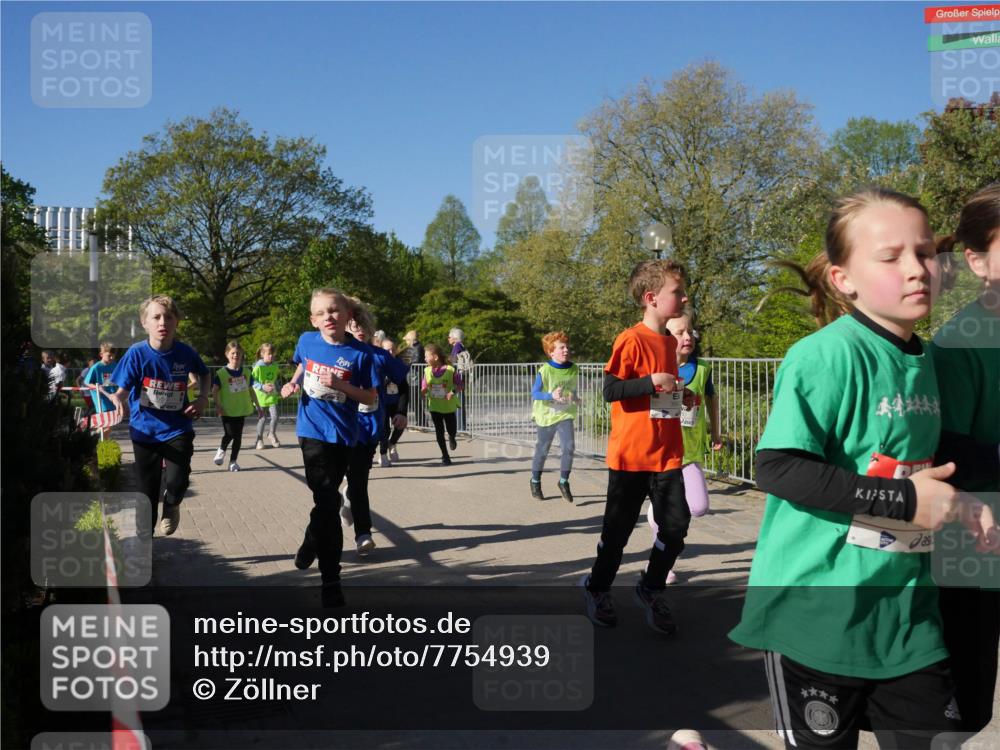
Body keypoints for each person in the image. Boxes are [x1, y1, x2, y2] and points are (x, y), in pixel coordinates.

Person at [729, 188, 993, 749]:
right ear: (843, 278)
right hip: (816, 618)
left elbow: (923, 467)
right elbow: (777, 468)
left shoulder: (924, 360)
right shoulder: (827, 355)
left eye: (923, 253)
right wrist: (904, 503)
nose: (917, 269)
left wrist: (961, 503)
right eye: (890, 257)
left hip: (906, 619)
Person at [581, 259, 691, 636]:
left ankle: (651, 587)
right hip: (631, 456)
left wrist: (682, 393)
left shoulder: (669, 342)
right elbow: (610, 390)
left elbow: (662, 392)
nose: (684, 296)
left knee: (676, 527)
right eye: (677, 291)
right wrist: (649, 381)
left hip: (667, 454)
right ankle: (597, 589)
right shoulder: (630, 339)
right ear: (651, 298)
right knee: (618, 532)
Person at [929, 182, 1000, 734]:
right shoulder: (958, 343)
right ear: (976, 260)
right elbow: (949, 455)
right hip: (977, 545)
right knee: (964, 712)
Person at [280, 287, 377, 607]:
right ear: (313, 319)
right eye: (321, 313)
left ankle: (311, 540)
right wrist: (293, 383)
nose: (328, 317)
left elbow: (370, 398)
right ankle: (331, 580)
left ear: (348, 315)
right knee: (327, 499)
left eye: (334, 311)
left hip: (344, 435)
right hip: (311, 431)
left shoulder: (360, 353)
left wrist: (342, 386)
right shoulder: (307, 340)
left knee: (327, 502)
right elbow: (302, 364)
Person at [108, 295, 210, 538]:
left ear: (177, 322)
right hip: (145, 430)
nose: (162, 322)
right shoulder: (136, 353)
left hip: (178, 427)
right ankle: (145, 544)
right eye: (156, 317)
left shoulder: (185, 353)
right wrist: (118, 399)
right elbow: (122, 388)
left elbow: (205, 375)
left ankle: (172, 503)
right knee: (147, 492)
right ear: (145, 323)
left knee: (178, 480)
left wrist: (202, 398)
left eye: (169, 317)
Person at [646, 313, 722, 583]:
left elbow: (712, 401)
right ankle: (663, 563)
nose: (688, 337)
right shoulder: (659, 368)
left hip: (690, 451)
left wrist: (716, 431)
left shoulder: (702, 369)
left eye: (690, 331)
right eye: (680, 332)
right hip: (664, 453)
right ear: (667, 338)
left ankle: (657, 516)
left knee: (699, 506)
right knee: (668, 517)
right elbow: (656, 413)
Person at [340, 298, 408, 556]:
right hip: (338, 426)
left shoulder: (379, 356)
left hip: (368, 426)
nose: (358, 330)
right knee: (344, 481)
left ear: (370, 329)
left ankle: (363, 534)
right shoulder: (337, 351)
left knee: (359, 481)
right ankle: (345, 500)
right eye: (353, 325)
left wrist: (401, 411)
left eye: (362, 325)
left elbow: (402, 382)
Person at [529, 331, 580, 503]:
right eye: (561, 347)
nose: (566, 350)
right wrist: (550, 395)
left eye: (567, 347)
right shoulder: (545, 370)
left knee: (569, 447)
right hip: (546, 416)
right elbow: (535, 394)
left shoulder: (574, 368)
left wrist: (575, 397)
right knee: (542, 451)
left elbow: (571, 389)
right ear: (551, 352)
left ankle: (564, 481)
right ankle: (535, 481)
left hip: (565, 413)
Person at [212, 340, 263, 472]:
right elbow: (214, 390)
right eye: (233, 353)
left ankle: (233, 462)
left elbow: (251, 390)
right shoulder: (221, 373)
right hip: (226, 409)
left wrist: (258, 406)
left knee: (238, 436)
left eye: (238, 353)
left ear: (242, 355)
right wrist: (217, 405)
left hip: (241, 408)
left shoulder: (246, 372)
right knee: (229, 433)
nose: (236, 355)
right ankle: (221, 449)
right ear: (227, 354)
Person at [422, 343, 462, 465]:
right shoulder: (427, 370)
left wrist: (452, 392)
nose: (424, 359)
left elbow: (460, 385)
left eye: (426, 356)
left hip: (448, 406)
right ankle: (445, 456)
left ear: (435, 357)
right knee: (439, 432)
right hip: (434, 406)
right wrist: (423, 391)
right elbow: (423, 387)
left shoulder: (451, 370)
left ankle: (452, 437)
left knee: (452, 430)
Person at [378, 337, 410, 464]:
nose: (390, 353)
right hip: (382, 403)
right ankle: (383, 454)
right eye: (387, 350)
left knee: (401, 425)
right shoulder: (377, 364)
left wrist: (402, 411)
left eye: (393, 350)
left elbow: (404, 389)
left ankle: (392, 443)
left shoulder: (399, 365)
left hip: (396, 402)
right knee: (384, 429)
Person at [252, 342, 283, 449]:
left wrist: (279, 390)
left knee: (275, 416)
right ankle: (259, 439)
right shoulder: (258, 367)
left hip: (272, 396)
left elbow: (275, 380)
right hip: (260, 398)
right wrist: (262, 387)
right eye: (269, 354)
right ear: (262, 354)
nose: (271, 356)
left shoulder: (275, 366)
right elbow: (252, 381)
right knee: (262, 419)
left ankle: (271, 434)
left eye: (272, 354)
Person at [84, 344, 118, 436]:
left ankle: (96, 438)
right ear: (101, 354)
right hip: (101, 399)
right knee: (107, 424)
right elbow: (87, 382)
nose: (111, 357)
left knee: (109, 426)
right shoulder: (96, 367)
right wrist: (97, 387)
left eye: (113, 356)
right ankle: (93, 438)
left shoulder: (115, 365)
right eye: (109, 355)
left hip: (112, 398)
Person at [448, 328, 472, 431]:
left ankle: (459, 427)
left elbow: (453, 360)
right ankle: (461, 426)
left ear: (454, 338)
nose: (448, 339)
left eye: (449, 336)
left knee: (457, 401)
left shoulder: (457, 345)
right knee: (459, 400)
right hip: (461, 376)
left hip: (458, 376)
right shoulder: (460, 345)